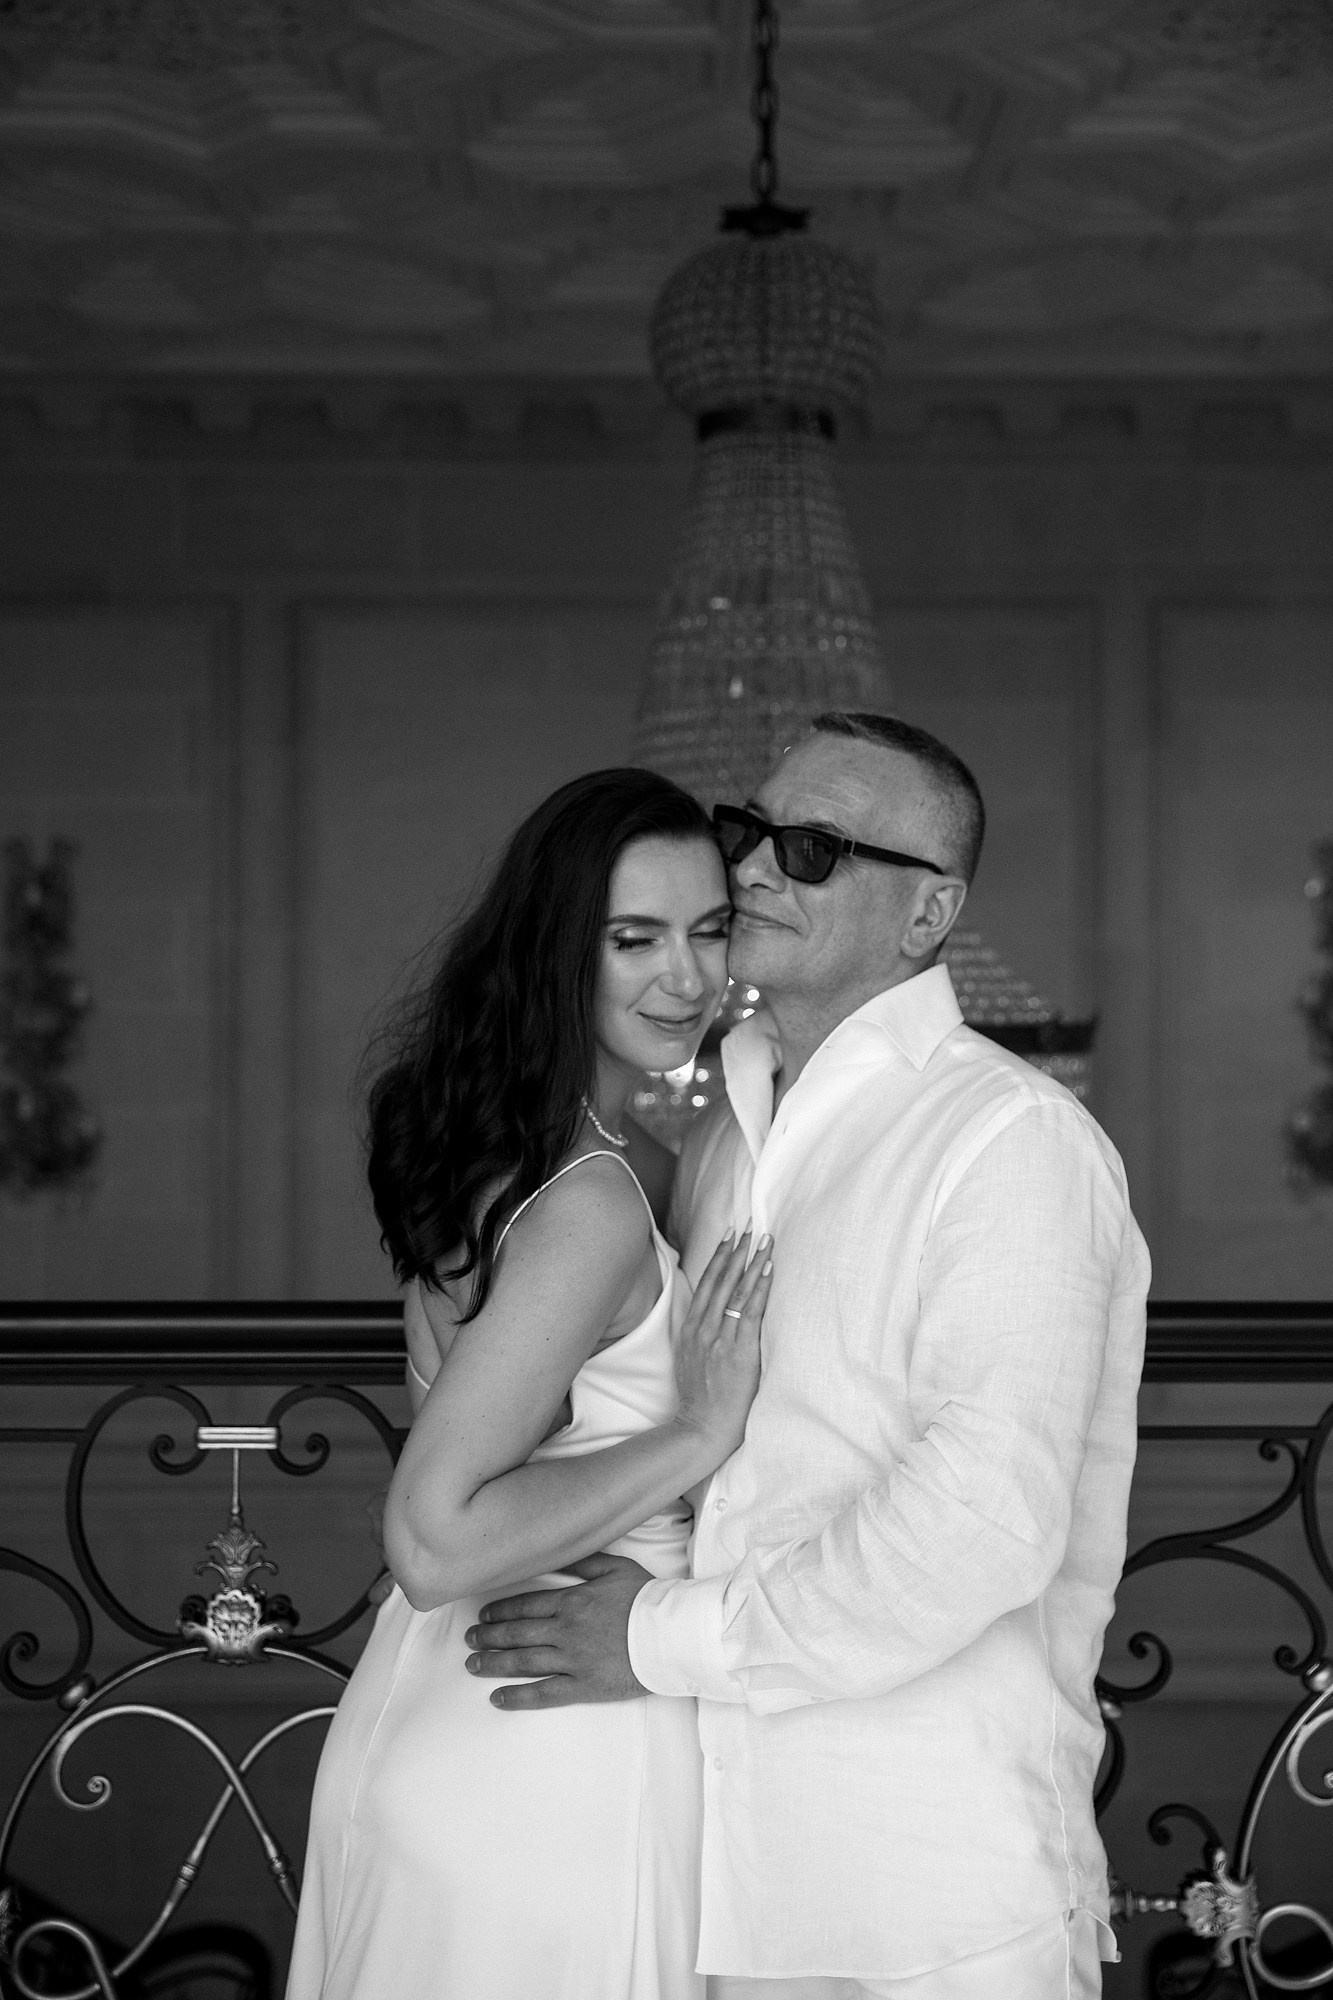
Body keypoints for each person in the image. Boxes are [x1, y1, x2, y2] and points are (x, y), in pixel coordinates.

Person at [467, 713, 1152, 2000]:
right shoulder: (724, 1137)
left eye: (815, 847)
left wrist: (660, 1636)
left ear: (928, 911)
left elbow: (983, 1519)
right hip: (720, 1876)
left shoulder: (1012, 1139)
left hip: (928, 1888)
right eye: (749, 831)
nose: (750, 869)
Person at [286, 767, 774, 2000]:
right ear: (562, 949)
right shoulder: (592, 1199)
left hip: (465, 1704)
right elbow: (433, 1536)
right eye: (635, 937)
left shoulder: (554, 1152)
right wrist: (700, 1429)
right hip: (545, 1747)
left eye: (710, 928)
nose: (687, 976)